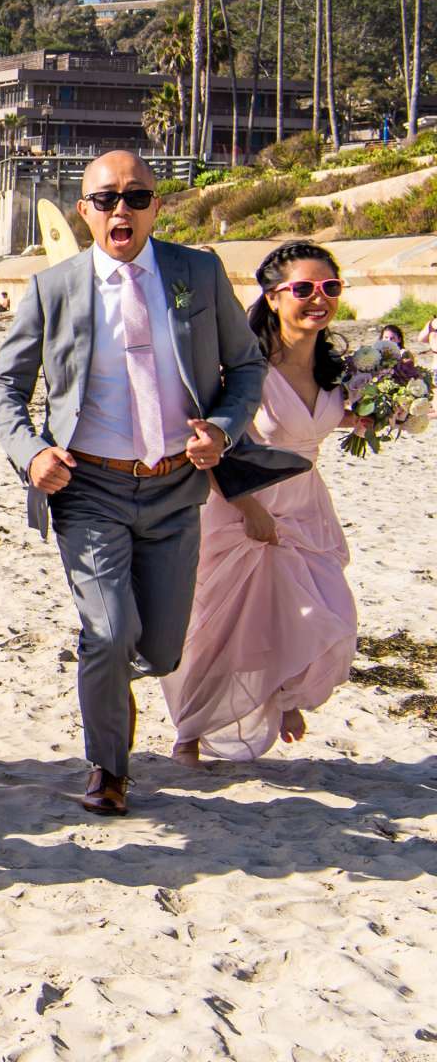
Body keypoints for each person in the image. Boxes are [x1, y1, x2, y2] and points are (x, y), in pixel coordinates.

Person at [0, 150, 264, 816]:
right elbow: (5, 387)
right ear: (84, 211)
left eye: (136, 198)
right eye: (106, 199)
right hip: (89, 489)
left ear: (156, 206)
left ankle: (107, 677)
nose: (121, 211)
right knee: (109, 633)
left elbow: (246, 368)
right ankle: (108, 767)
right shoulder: (53, 289)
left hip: (176, 488)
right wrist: (30, 455)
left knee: (160, 647)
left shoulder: (197, 271)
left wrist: (222, 428)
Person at [162, 243, 360, 763]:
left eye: (329, 288)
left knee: (325, 612)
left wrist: (377, 415)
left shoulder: (340, 371)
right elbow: (216, 440)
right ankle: (191, 733)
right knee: (225, 626)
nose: (319, 299)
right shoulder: (246, 368)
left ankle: (283, 693)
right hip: (240, 501)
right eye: (303, 289)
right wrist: (250, 510)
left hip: (306, 505)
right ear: (273, 298)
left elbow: (330, 419)